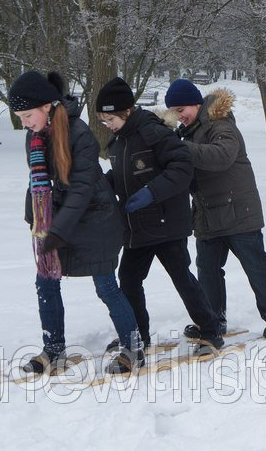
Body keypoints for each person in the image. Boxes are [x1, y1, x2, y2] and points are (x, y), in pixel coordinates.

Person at [10, 70, 141, 375]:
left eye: (28, 115)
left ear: (47, 107)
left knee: (106, 287)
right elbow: (37, 180)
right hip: (60, 221)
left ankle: (133, 348)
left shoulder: (79, 134)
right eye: (20, 117)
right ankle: (54, 349)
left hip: (95, 221)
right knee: (46, 281)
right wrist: (35, 216)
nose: (25, 123)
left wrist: (58, 229)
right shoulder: (35, 137)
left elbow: (81, 190)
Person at [95, 77, 224, 354]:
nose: (108, 125)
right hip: (136, 226)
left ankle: (211, 331)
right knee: (128, 281)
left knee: (182, 278)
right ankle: (139, 335)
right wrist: (102, 185)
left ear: (126, 111)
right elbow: (122, 178)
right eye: (104, 121)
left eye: (110, 119)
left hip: (166, 224)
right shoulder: (118, 143)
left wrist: (151, 192)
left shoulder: (155, 132)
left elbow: (182, 168)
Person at [164, 79, 266, 339]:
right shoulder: (186, 133)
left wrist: (180, 148)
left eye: (181, 110)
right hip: (207, 214)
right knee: (207, 270)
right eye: (174, 112)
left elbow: (220, 157)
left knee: (255, 265)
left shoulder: (221, 124)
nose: (179, 117)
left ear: (196, 103)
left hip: (238, 210)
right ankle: (213, 321)